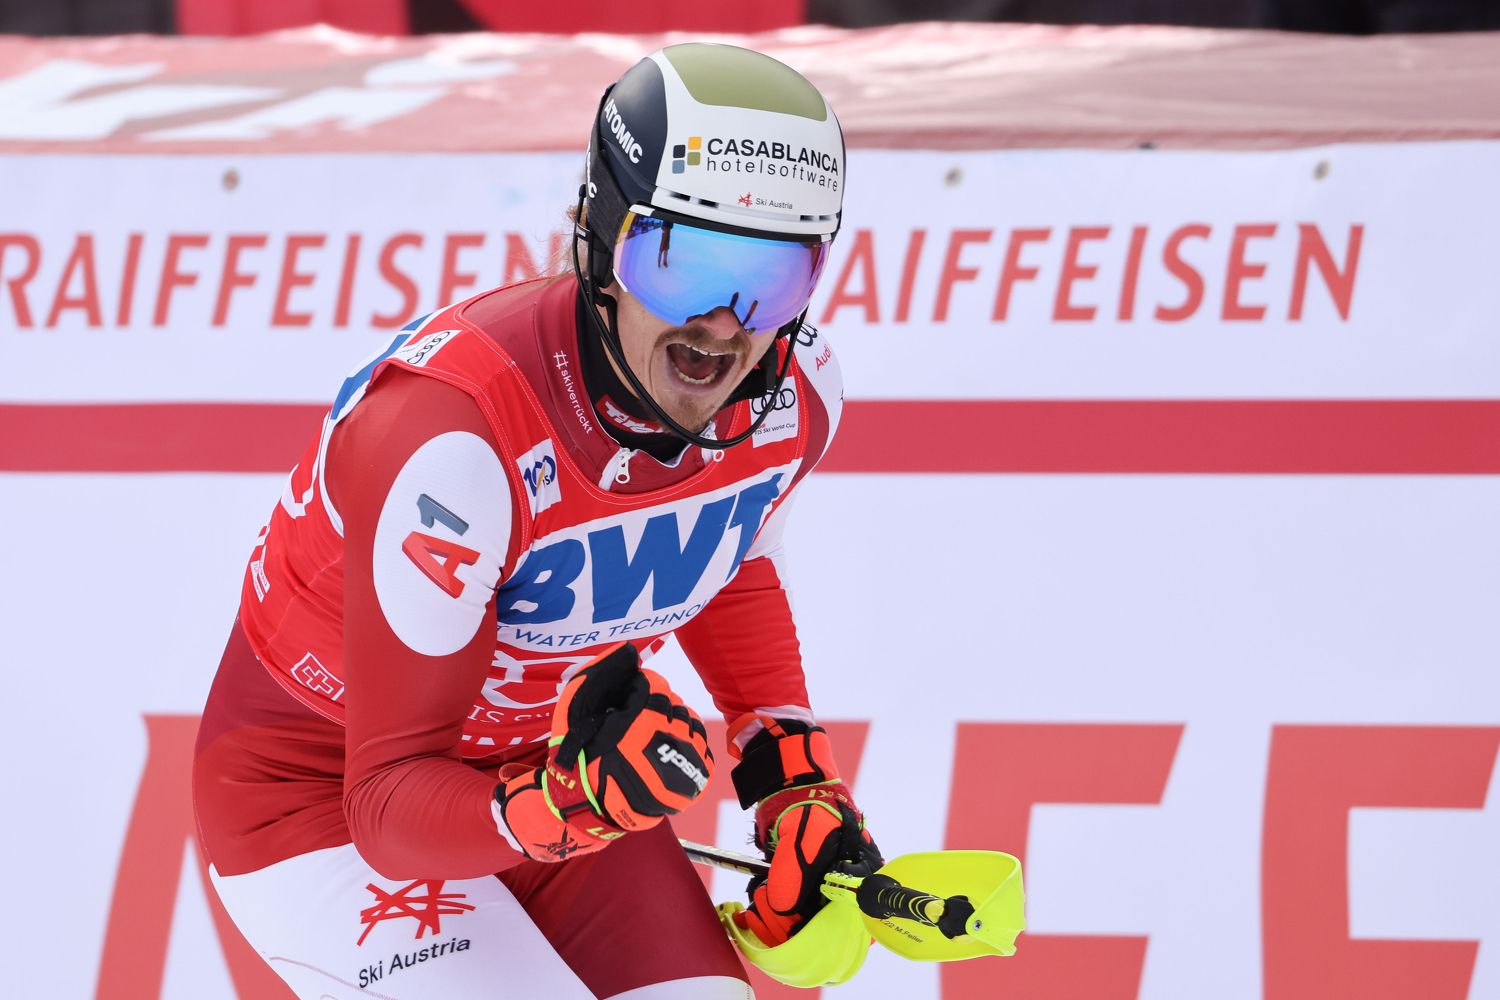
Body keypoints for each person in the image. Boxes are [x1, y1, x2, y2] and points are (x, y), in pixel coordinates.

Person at [193, 41, 880, 999]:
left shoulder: (796, 398)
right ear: (599, 242)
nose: (723, 327)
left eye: (771, 281)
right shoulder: (456, 437)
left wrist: (791, 774)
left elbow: (729, 556)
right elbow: (387, 806)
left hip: (550, 777)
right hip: (326, 801)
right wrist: (567, 802)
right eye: (684, 267)